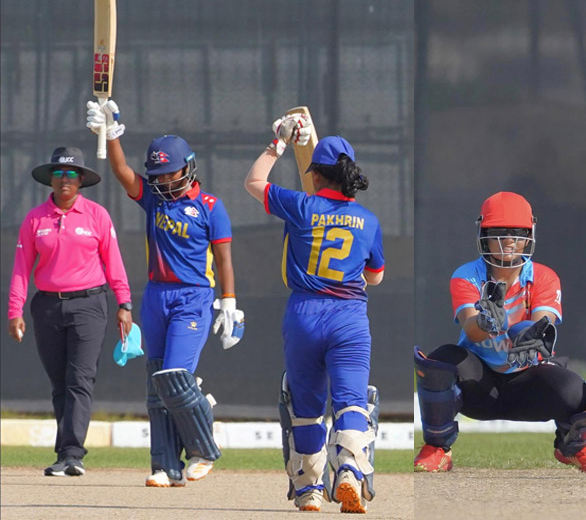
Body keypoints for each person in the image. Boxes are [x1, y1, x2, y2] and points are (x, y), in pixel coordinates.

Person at [86, 101, 240, 487]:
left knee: (175, 375)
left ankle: (204, 447)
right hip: (156, 295)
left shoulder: (210, 207)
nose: (162, 180)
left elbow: (223, 259)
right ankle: (165, 466)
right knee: (158, 384)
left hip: (194, 297)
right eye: (157, 173)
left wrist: (230, 303)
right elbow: (122, 172)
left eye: (169, 172)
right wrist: (112, 133)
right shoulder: (154, 199)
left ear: (188, 168)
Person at [414, 191, 586, 474]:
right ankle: (437, 447)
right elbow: (471, 330)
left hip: (527, 382)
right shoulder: (466, 275)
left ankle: (574, 448)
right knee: (441, 360)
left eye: (518, 232)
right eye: (498, 232)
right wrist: (485, 322)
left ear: (529, 235)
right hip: (480, 385)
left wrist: (530, 338)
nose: (509, 240)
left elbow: (544, 323)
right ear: (484, 234)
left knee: (575, 389)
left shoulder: (544, 276)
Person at [245, 114, 383, 513]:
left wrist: (278, 145)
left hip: (305, 313)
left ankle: (308, 490)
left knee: (305, 407)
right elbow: (375, 277)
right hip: (350, 316)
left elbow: (253, 182)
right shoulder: (368, 220)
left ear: (317, 176)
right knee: (352, 402)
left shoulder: (301, 205)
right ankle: (350, 474)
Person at [7, 146, 132, 477]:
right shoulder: (35, 219)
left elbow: (114, 261)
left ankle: (73, 453)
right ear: (51, 179)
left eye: (72, 174)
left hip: (89, 304)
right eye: (60, 174)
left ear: (80, 181)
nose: (65, 180)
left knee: (80, 378)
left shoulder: (97, 216)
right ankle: (65, 454)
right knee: (60, 382)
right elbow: (21, 267)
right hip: (47, 306)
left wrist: (124, 302)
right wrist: (14, 310)